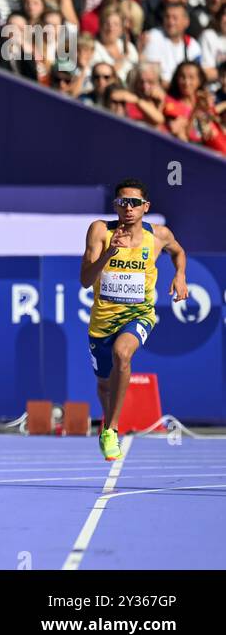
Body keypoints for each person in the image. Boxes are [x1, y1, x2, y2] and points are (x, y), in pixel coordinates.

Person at [79, 180, 188, 461]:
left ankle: (112, 430)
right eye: (122, 202)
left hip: (139, 313)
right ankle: (108, 422)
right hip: (102, 320)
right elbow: (84, 280)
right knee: (104, 383)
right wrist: (109, 254)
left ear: (145, 207)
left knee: (122, 354)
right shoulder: (101, 231)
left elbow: (178, 251)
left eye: (135, 203)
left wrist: (180, 275)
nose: (128, 208)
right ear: (115, 206)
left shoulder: (159, 235)